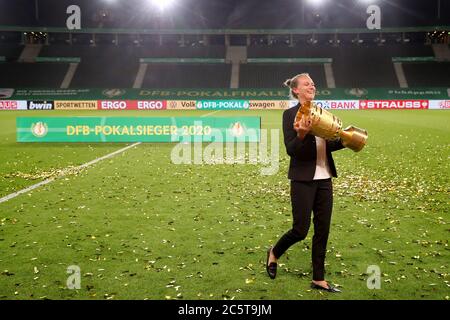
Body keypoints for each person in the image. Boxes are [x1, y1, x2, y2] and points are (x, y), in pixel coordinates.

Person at [266, 73, 344, 293]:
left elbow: (326, 146)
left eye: (313, 83)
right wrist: (301, 134)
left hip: (325, 178)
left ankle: (319, 279)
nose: (312, 85)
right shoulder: (289, 114)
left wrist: (345, 141)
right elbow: (292, 150)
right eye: (307, 84)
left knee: (323, 230)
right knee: (300, 230)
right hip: (302, 179)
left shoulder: (321, 113)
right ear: (296, 90)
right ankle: (274, 252)